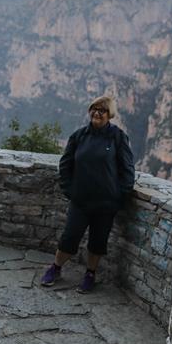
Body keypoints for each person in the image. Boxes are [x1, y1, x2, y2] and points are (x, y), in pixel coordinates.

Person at [41, 95, 135, 293]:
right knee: (69, 237)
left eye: (102, 110)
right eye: (94, 109)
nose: (97, 113)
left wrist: (119, 196)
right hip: (80, 201)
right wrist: (69, 190)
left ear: (110, 115)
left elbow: (127, 169)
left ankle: (90, 275)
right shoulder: (79, 136)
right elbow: (65, 165)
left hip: (106, 203)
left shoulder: (117, 137)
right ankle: (56, 268)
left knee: (98, 241)